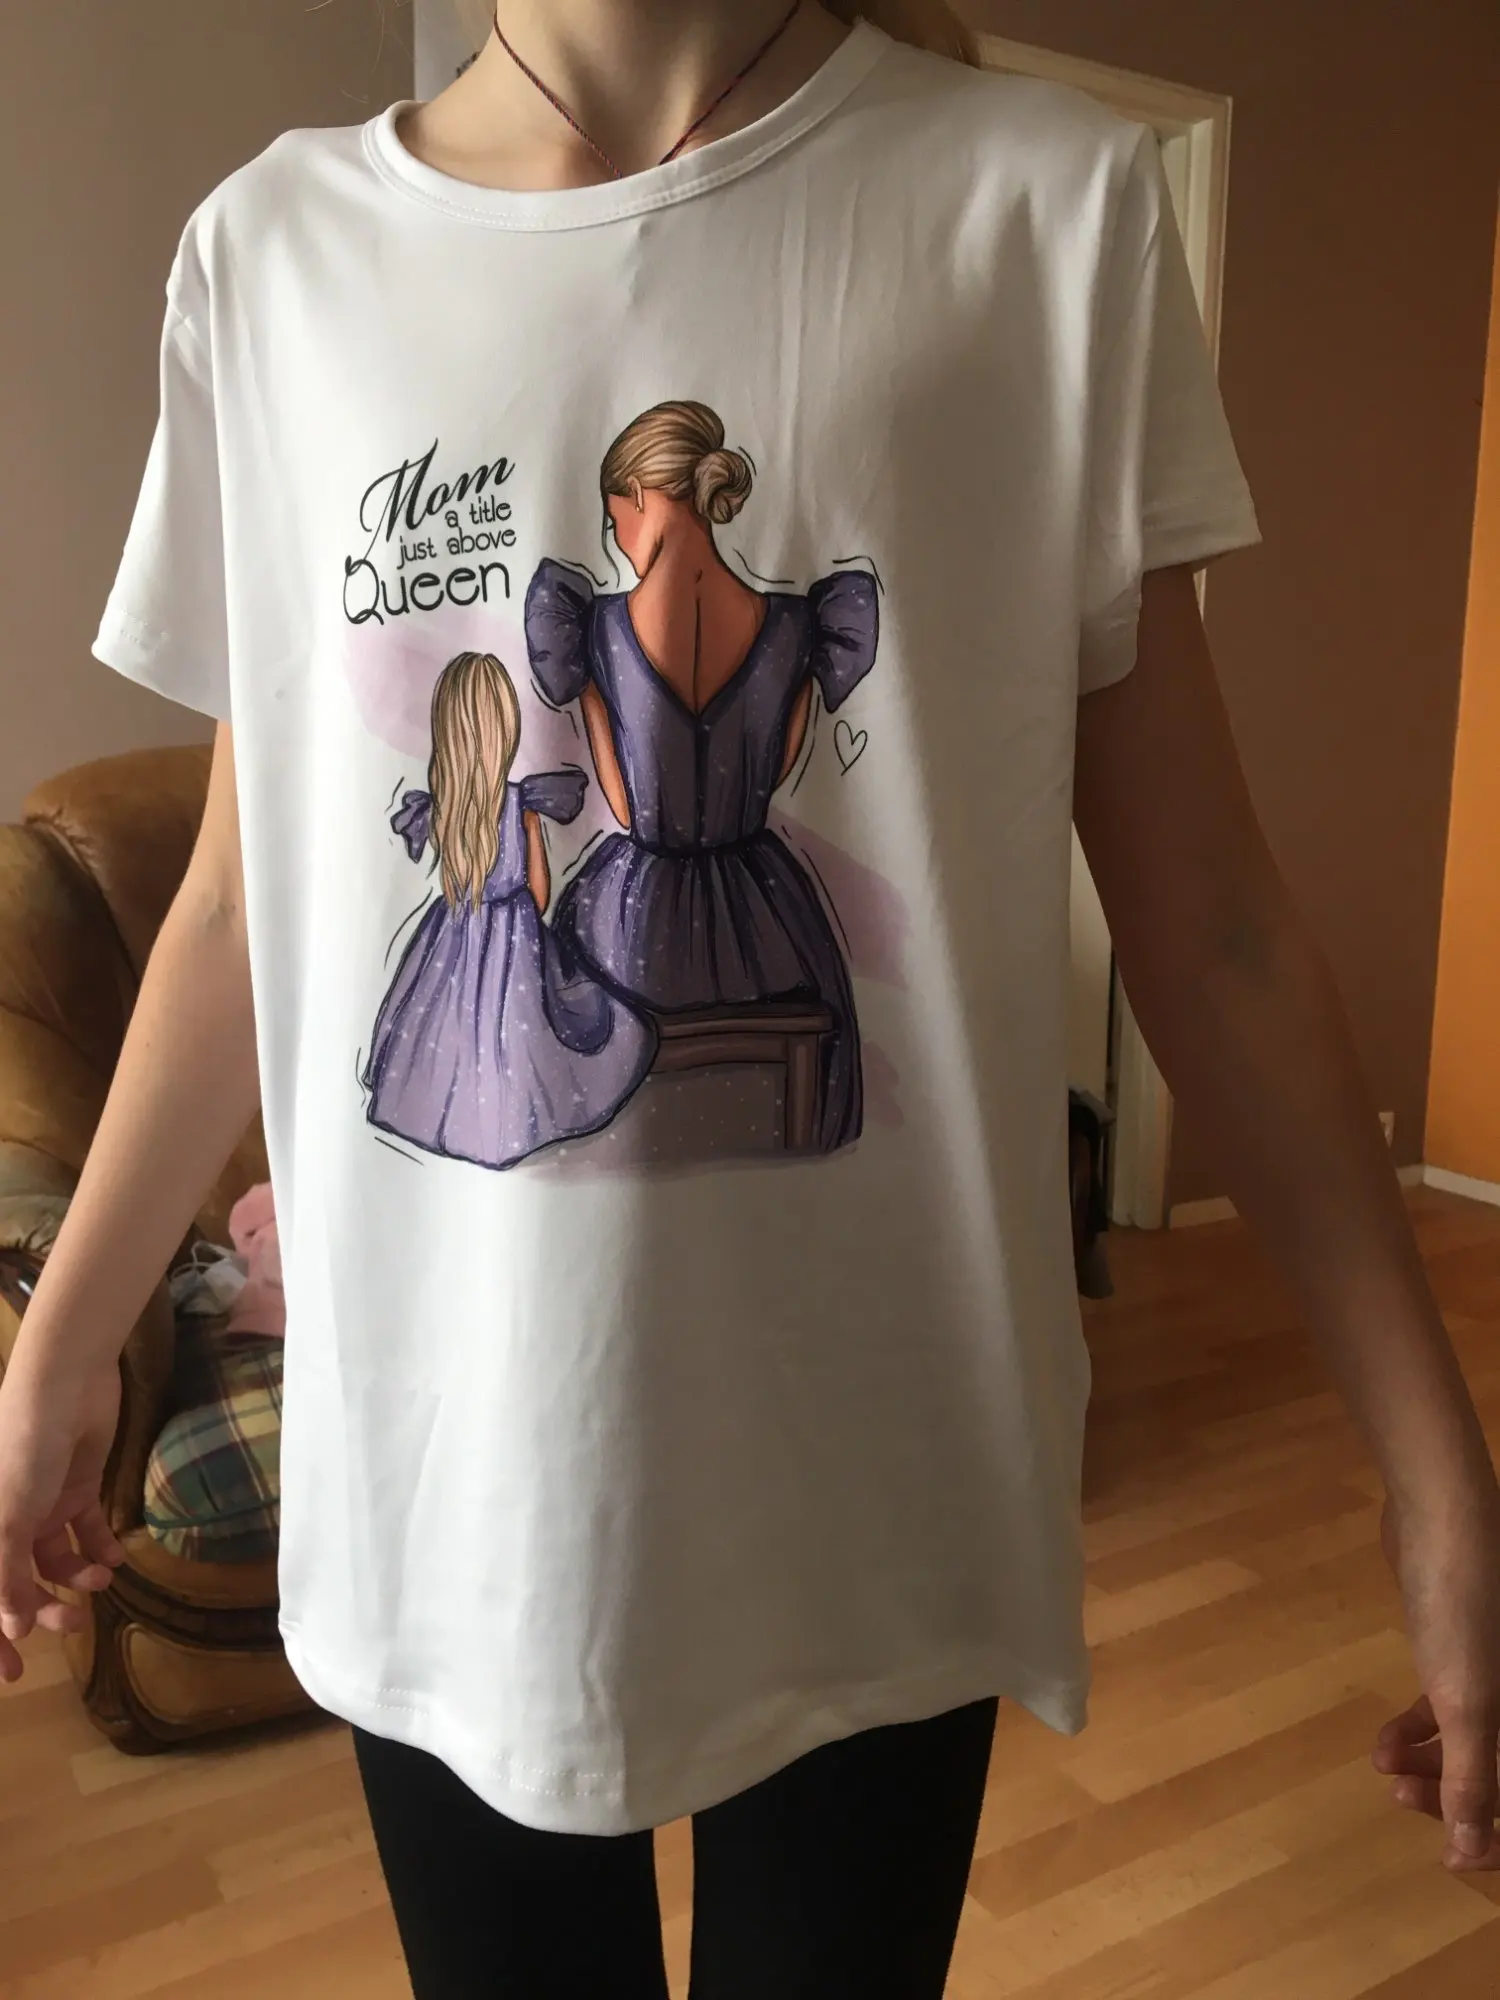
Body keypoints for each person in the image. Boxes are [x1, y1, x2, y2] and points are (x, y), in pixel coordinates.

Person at [1, 4, 1496, 1996]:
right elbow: (232, 903)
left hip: (883, 1471)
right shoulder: (274, 257)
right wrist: (64, 1345)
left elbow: (1211, 926)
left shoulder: (1040, 213)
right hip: (446, 1488)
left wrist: (1439, 1480)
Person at [526, 398, 880, 1154]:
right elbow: (775, 771)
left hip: (631, 920)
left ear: (638, 496)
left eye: (613, 519)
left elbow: (626, 806)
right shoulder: (799, 626)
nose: (616, 540)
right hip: (766, 919)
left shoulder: (593, 628)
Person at [362, 646, 656, 1169]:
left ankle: (451, 1117)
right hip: (515, 937)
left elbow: (453, 884)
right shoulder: (522, 805)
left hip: (453, 931)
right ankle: (507, 1122)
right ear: (504, 729)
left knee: (449, 1029)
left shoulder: (441, 810)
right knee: (520, 1033)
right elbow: (537, 892)